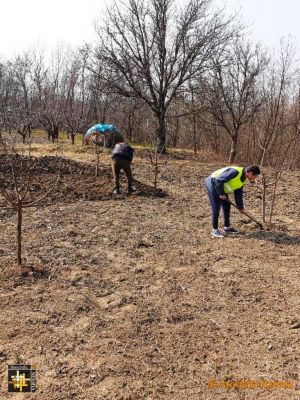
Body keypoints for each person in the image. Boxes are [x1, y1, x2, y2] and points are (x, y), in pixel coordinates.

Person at [205, 165, 261, 238]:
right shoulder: (235, 172)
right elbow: (219, 180)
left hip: (221, 186)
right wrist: (221, 193)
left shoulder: (244, 179)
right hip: (213, 182)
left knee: (227, 206)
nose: (255, 178)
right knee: (216, 207)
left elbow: (238, 193)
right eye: (255, 176)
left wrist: (240, 207)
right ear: (250, 173)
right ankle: (214, 230)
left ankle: (227, 228)